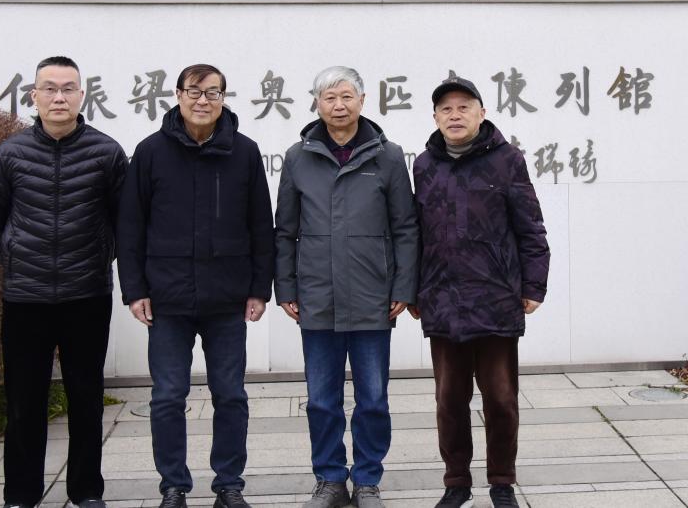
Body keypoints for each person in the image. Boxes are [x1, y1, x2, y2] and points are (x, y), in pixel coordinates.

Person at [117, 63, 275, 508]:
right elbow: (131, 226)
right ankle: (173, 486)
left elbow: (261, 225)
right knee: (168, 396)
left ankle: (229, 485)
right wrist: (135, 289)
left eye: (213, 92)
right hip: (167, 299)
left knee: (231, 394)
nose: (203, 100)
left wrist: (259, 288)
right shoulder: (151, 152)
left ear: (223, 98)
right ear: (178, 95)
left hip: (228, 298)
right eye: (194, 91)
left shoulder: (244, 151)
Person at [0, 56, 128, 508]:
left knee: (86, 398)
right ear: (34, 96)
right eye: (49, 88)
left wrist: (99, 258)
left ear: (82, 95)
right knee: (24, 401)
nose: (58, 97)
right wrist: (16, 258)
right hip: (26, 297)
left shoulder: (106, 152)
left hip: (87, 294)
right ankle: (21, 494)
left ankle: (86, 491)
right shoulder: (10, 153)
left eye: (67, 88)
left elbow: (123, 220)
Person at [274, 66, 418, 508]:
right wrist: (286, 288)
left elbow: (406, 227)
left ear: (362, 101)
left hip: (374, 297)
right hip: (317, 297)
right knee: (322, 400)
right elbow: (285, 231)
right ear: (317, 103)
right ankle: (331, 480)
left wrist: (403, 286)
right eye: (329, 98)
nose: (338, 106)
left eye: (346, 97)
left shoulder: (388, 156)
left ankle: (368, 480)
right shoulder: (298, 157)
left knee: (373, 398)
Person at [409, 76, 550, 508]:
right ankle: (457, 484)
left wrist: (534, 285)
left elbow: (530, 227)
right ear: (435, 117)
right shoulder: (425, 165)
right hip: (442, 300)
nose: (455, 115)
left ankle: (502, 482)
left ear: (482, 113)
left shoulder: (507, 160)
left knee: (501, 399)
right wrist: (412, 289)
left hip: (495, 299)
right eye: (446, 109)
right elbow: (414, 233)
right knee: (449, 400)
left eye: (464, 107)